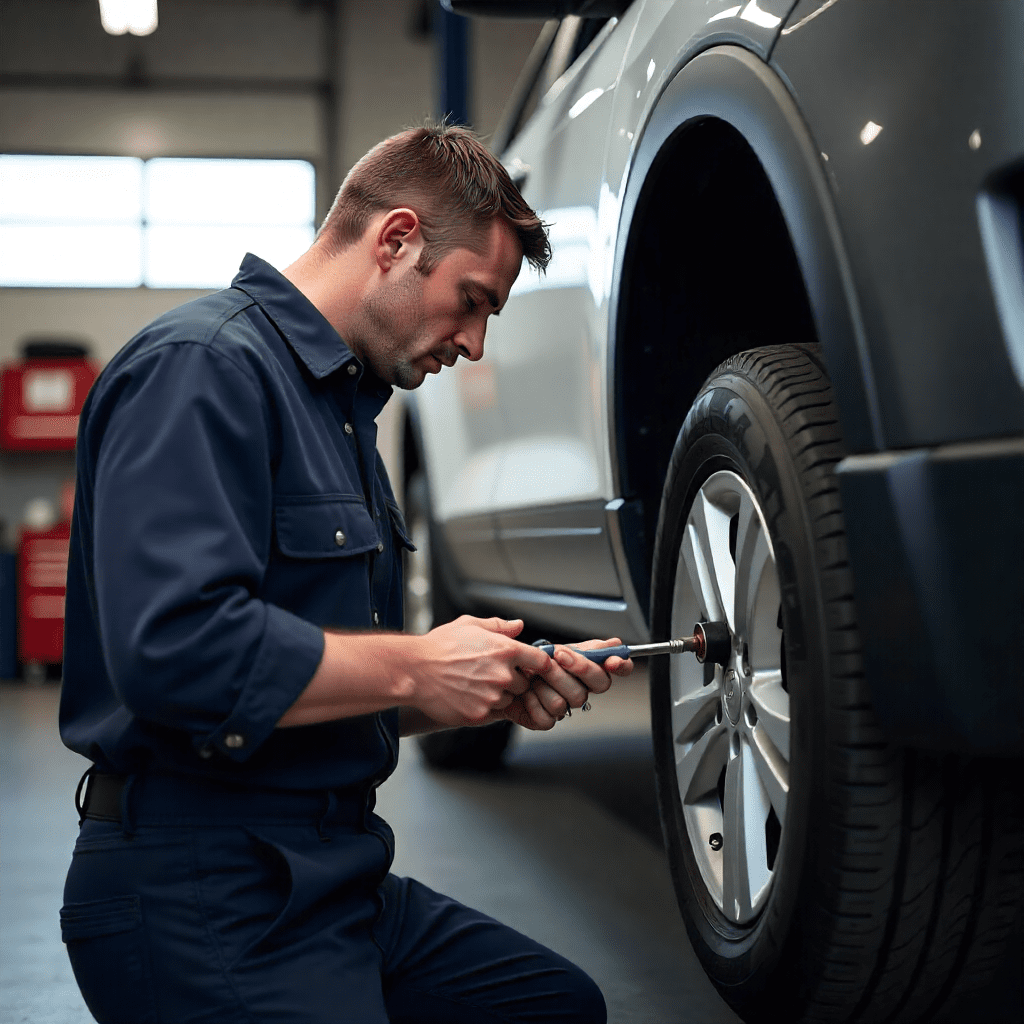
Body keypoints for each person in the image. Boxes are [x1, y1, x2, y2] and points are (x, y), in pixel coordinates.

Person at [58, 122, 633, 1023]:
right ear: (397, 239)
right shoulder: (203, 369)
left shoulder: (341, 416)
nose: (475, 344)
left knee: (554, 1007)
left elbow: (305, 690)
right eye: (471, 301)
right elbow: (176, 653)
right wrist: (418, 664)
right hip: (200, 879)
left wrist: (473, 689)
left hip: (333, 870)